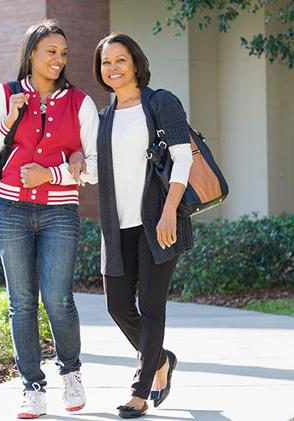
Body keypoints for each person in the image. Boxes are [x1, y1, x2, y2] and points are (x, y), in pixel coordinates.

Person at [0, 18, 98, 419]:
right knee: (21, 302)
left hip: (60, 210)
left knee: (58, 299)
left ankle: (72, 373)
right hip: (10, 209)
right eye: (51, 52)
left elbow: (96, 169)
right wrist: (9, 119)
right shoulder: (6, 93)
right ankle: (32, 387)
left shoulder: (80, 102)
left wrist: (56, 173)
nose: (59, 60)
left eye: (63, 53)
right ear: (31, 54)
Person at [92, 33, 193, 419]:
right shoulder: (104, 118)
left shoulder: (160, 102)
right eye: (105, 62)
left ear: (135, 62)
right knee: (117, 305)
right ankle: (161, 358)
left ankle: (140, 389)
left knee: (151, 309)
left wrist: (169, 212)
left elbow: (182, 160)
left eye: (120, 60)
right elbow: (99, 173)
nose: (113, 68)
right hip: (117, 228)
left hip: (156, 221)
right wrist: (76, 167)